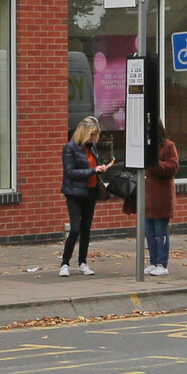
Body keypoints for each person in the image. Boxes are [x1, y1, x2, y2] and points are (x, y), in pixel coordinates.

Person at [60, 116, 109, 276]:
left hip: (91, 191)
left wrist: (100, 168)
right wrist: (93, 171)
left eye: (95, 135)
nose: (94, 138)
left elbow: (93, 165)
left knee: (86, 229)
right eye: (92, 134)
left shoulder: (92, 147)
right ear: (84, 132)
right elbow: (70, 172)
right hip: (74, 192)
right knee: (75, 229)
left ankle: (82, 262)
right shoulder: (70, 148)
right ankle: (65, 263)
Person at [142, 131, 180, 275]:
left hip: (162, 196)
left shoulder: (169, 146)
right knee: (150, 232)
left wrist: (154, 163)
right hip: (148, 196)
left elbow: (172, 167)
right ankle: (153, 262)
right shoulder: (146, 146)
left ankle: (162, 264)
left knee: (160, 231)